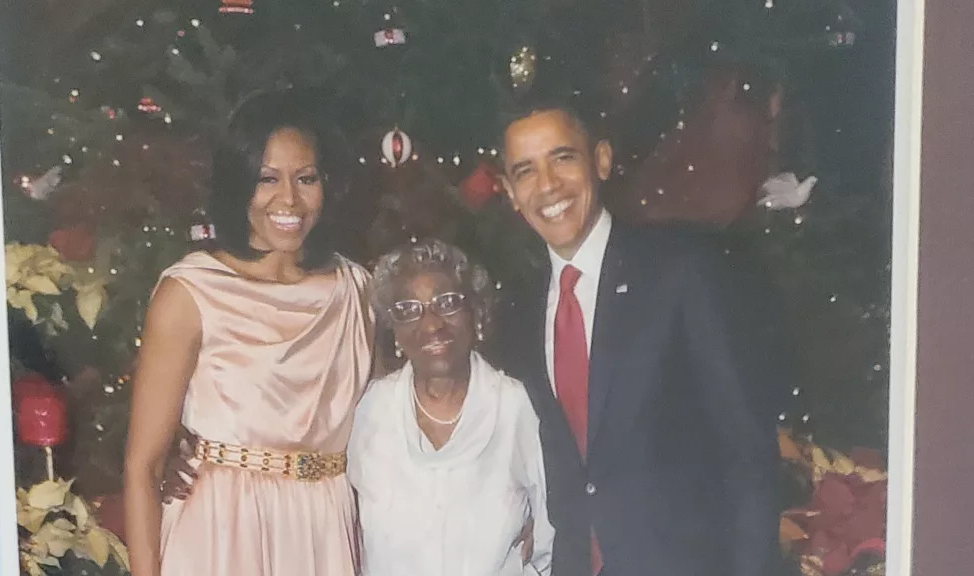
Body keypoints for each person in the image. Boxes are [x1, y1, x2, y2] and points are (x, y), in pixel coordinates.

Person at [493, 93, 785, 576]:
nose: (548, 186)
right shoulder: (521, 311)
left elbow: (747, 453)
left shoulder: (681, 270)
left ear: (601, 160)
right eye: (525, 171)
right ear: (509, 191)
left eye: (562, 158)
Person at [124, 89, 373, 576]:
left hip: (324, 534)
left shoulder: (355, 290)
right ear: (239, 184)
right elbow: (142, 468)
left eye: (306, 179)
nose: (289, 200)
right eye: (266, 179)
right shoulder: (191, 292)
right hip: (219, 535)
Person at [348, 238, 553, 576]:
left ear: (475, 312)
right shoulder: (372, 410)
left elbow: (551, 535)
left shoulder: (516, 407)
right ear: (394, 330)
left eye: (447, 303)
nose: (431, 324)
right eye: (408, 309)